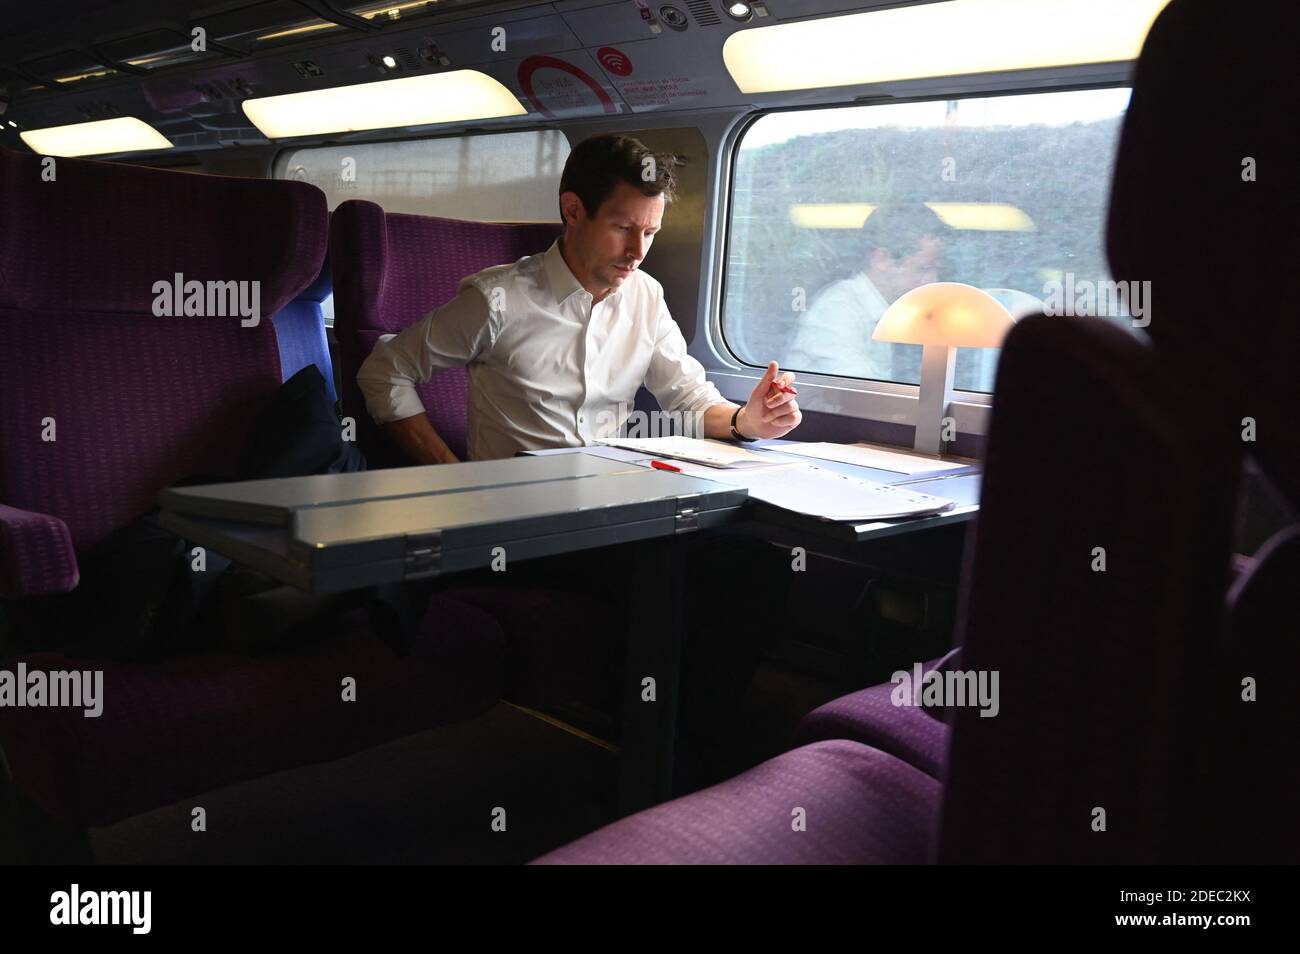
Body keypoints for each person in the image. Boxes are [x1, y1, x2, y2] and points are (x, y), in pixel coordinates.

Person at [358, 134, 801, 462]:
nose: (638, 252)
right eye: (623, 228)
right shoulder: (498, 299)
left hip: (608, 499)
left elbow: (688, 400)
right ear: (573, 210)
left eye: (650, 233)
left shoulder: (646, 296)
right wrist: (449, 478)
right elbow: (385, 370)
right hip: (518, 517)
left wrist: (748, 422)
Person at [785, 202, 947, 384]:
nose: (933, 281)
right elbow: (862, 396)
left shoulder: (891, 312)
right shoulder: (836, 311)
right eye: (923, 269)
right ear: (881, 259)